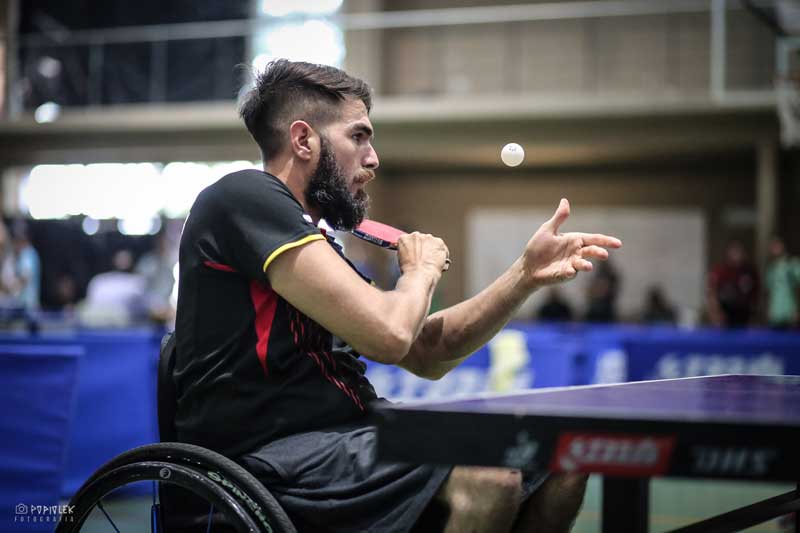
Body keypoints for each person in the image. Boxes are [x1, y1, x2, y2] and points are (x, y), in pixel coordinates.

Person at [173, 59, 622, 533]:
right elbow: (389, 335)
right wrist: (421, 271)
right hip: (271, 455)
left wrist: (524, 275)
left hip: (351, 437)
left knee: (558, 459)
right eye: (359, 136)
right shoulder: (244, 197)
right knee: (489, 477)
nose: (373, 158)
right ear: (303, 140)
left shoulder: (313, 238)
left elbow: (427, 351)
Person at [707, 241, 759, 328]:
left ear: (744, 253)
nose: (736, 255)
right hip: (725, 313)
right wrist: (715, 313)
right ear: (728, 254)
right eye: (733, 252)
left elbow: (755, 294)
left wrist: (753, 313)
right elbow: (712, 292)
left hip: (744, 312)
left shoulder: (750, 272)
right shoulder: (721, 271)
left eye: (738, 252)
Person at [764, 236, 800, 329]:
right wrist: (768, 310)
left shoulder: (793, 264)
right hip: (775, 314)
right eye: (772, 246)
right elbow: (769, 292)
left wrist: (797, 310)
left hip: (791, 313)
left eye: (777, 245)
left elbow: (797, 288)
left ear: (783, 245)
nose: (774, 248)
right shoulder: (771, 268)